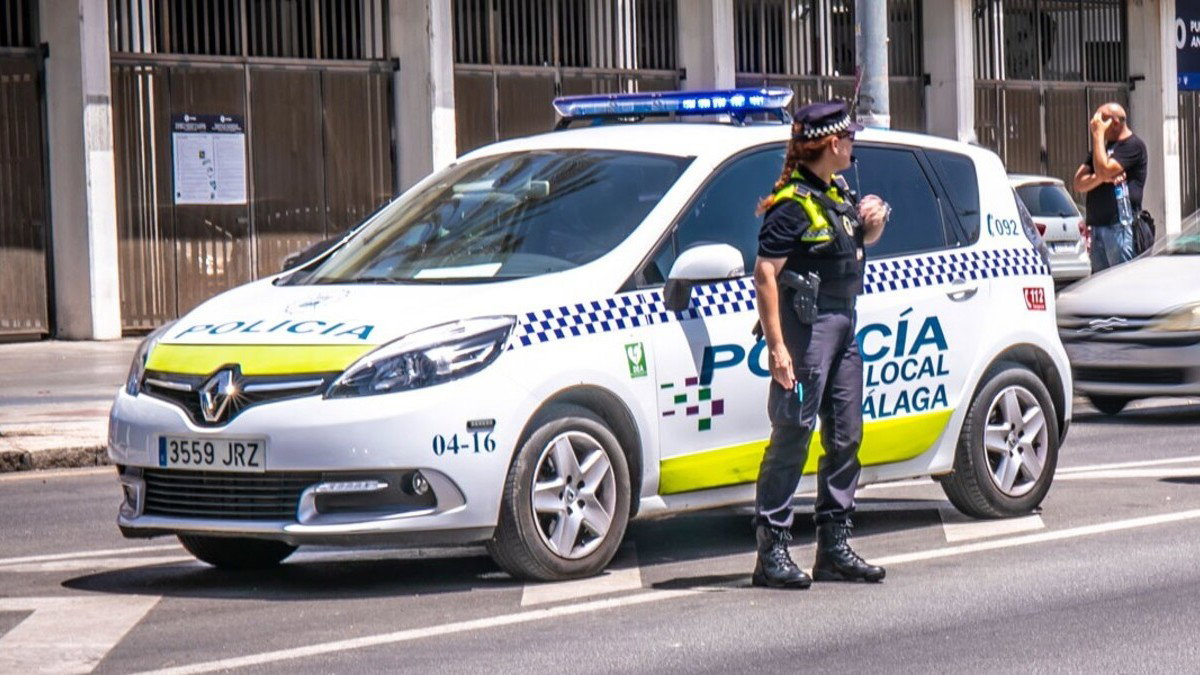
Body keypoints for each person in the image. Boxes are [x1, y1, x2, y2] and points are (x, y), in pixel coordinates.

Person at [750, 100, 889, 589]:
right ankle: (772, 551)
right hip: (807, 330)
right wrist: (778, 347)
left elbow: (853, 242)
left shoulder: (837, 190)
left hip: (844, 324)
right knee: (793, 432)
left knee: (846, 434)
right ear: (833, 143)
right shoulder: (792, 201)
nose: (853, 145)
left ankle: (833, 545)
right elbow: (766, 273)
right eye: (849, 138)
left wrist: (874, 218)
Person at [1072, 102, 1148, 273]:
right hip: (1097, 227)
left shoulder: (1133, 146)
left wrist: (1098, 136)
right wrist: (1102, 177)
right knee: (1100, 285)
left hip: (1119, 227)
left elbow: (1104, 169)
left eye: (1101, 120)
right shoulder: (1101, 150)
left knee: (1120, 282)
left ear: (1115, 123)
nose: (1095, 124)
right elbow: (1078, 183)